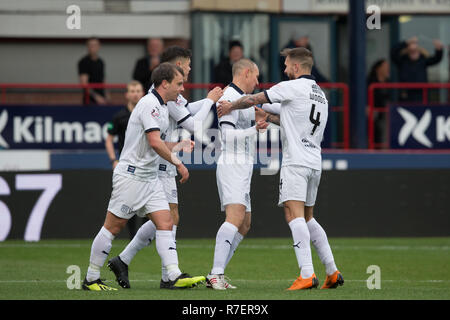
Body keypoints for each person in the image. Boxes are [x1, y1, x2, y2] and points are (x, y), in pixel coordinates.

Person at [217, 47, 343, 290]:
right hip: (314, 161)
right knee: (308, 217)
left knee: (292, 215)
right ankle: (332, 271)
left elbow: (254, 98)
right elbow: (290, 121)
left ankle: (307, 274)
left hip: (295, 162)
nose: (284, 70)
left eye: (286, 65)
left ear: (297, 67)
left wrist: (230, 106)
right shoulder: (320, 95)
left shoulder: (291, 87)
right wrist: (268, 117)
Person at [107, 46, 223, 289]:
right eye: (188, 65)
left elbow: (187, 110)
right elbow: (194, 124)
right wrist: (211, 102)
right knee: (166, 217)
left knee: (169, 218)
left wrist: (209, 99)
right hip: (158, 162)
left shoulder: (173, 94)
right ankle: (167, 275)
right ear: (178, 66)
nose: (190, 69)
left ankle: (132, 262)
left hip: (163, 160)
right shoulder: (163, 94)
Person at [82, 62, 205, 291]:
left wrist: (177, 145)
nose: (182, 89)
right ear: (164, 83)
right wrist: (178, 163)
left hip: (149, 178)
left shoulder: (163, 106)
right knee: (113, 227)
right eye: (179, 84)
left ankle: (173, 275)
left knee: (166, 222)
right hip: (131, 177)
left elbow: (157, 142)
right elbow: (154, 142)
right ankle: (90, 278)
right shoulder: (149, 104)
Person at [206, 59, 268, 290]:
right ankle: (216, 274)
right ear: (246, 72)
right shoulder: (228, 98)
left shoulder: (243, 101)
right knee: (234, 218)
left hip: (243, 165)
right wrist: (255, 129)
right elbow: (227, 137)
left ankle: (216, 273)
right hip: (232, 164)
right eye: (256, 76)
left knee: (245, 224)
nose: (258, 81)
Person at [105, 80, 145, 239]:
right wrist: (113, 160)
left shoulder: (148, 113)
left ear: (142, 93)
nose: (135, 93)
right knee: (129, 202)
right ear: (127, 94)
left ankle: (144, 235)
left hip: (146, 164)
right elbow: (109, 138)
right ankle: (133, 235)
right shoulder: (119, 116)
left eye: (138, 90)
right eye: (132, 91)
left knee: (148, 201)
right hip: (128, 165)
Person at [391, 36, 443, 102]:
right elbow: (393, 52)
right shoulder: (402, 60)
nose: (413, 53)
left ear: (419, 51)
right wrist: (406, 42)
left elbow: (436, 59)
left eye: (415, 51)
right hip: (405, 96)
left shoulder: (423, 60)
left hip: (421, 95)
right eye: (411, 51)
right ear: (407, 50)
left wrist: (439, 50)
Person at [367, 59, 391, 147]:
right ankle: (372, 148)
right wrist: (368, 106)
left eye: (388, 67)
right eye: (385, 67)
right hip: (374, 109)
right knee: (374, 129)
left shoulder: (389, 81)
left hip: (386, 111)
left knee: (385, 129)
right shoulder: (371, 80)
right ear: (378, 68)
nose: (387, 69)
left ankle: (382, 147)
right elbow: (365, 94)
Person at [78, 37, 108, 105]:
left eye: (95, 45)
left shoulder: (100, 62)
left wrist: (107, 95)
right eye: (91, 45)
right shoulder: (83, 62)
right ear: (87, 47)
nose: (93, 48)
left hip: (102, 98)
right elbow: (84, 83)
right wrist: (96, 97)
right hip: (89, 100)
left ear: (99, 46)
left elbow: (103, 80)